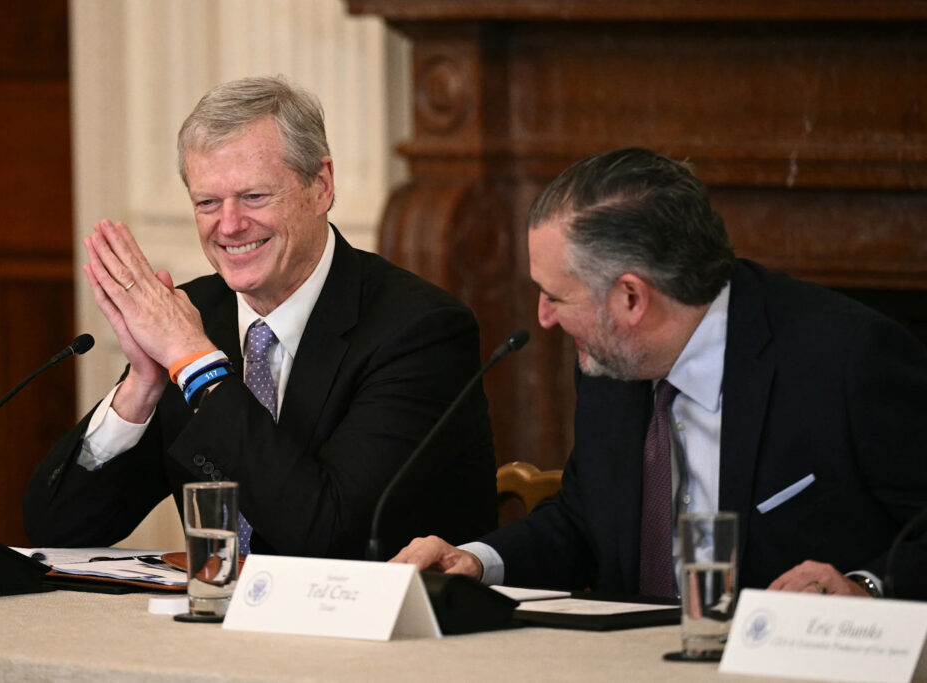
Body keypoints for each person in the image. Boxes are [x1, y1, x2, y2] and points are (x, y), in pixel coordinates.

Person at [393, 148, 927, 599]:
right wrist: (476, 561)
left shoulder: (846, 359)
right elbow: (583, 521)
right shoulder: (609, 359)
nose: (544, 317)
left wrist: (866, 587)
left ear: (631, 297)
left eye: (557, 296)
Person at [23, 76, 497, 559]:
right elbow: (56, 527)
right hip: (217, 607)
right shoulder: (194, 317)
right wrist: (140, 388)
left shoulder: (421, 331)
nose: (229, 226)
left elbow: (331, 535)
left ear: (321, 186)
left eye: (254, 197)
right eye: (208, 203)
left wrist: (198, 366)